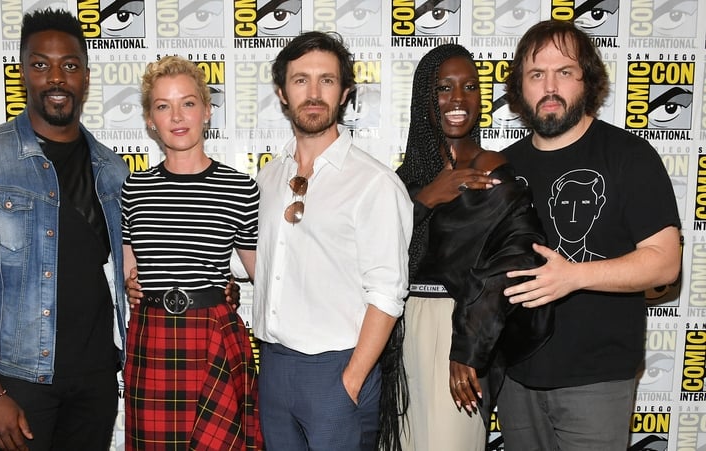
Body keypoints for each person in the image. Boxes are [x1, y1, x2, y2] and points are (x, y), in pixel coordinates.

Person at [0, 8, 129, 451]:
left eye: (70, 65)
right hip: (20, 381)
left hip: (98, 380)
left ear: (85, 76)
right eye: (41, 64)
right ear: (23, 73)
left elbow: (125, 268)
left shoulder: (113, 170)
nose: (56, 77)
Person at [498, 20, 681, 450]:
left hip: (596, 381)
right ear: (520, 87)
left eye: (564, 72)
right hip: (515, 378)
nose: (549, 86)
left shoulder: (630, 157)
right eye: (536, 74)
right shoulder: (502, 168)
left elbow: (664, 261)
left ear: (588, 80)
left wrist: (573, 276)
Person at [252, 31, 413, 450]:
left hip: (338, 370)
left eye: (326, 80)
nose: (313, 92)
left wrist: (351, 381)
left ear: (344, 93)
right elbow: (258, 263)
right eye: (300, 79)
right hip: (272, 366)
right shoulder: (268, 178)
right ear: (282, 93)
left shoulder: (374, 182)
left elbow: (388, 293)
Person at [388, 43, 553, 451]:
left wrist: (468, 347)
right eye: (444, 88)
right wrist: (427, 197)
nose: (458, 99)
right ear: (425, 98)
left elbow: (516, 258)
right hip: (394, 328)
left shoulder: (492, 170)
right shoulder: (403, 178)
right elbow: (371, 250)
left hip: (457, 329)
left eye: (470, 87)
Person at [121, 56, 262, 450]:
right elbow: (130, 274)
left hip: (214, 333)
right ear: (150, 119)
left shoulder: (240, 188)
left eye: (188, 102)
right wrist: (131, 285)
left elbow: (263, 275)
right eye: (163, 106)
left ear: (207, 111)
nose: (176, 116)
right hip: (152, 337)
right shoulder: (135, 190)